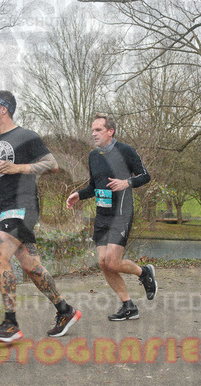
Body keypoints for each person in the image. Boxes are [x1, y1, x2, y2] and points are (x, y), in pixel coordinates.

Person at [0, 90, 80, 342]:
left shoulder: (26, 136)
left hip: (23, 207)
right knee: (32, 267)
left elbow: (52, 165)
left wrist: (18, 167)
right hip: (5, 210)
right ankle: (65, 310)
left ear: (4, 109)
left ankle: (10, 324)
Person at [66, 114, 156, 321]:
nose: (93, 133)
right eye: (92, 130)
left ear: (110, 131)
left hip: (121, 213)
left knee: (113, 262)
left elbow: (145, 176)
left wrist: (127, 182)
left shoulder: (126, 151)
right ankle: (128, 306)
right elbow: (94, 186)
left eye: (98, 130)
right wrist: (79, 194)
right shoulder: (93, 156)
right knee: (103, 263)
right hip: (102, 214)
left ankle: (144, 272)